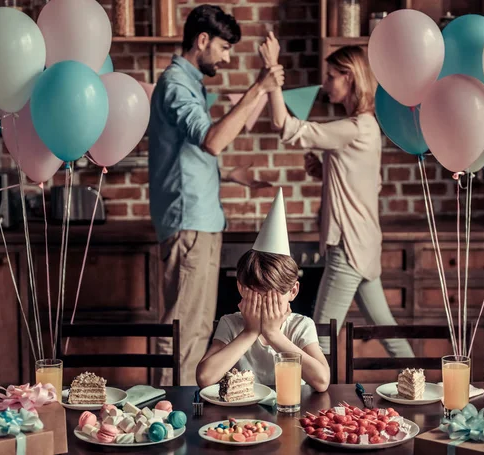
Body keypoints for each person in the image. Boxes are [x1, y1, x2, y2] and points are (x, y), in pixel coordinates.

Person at [148, 5, 285, 385]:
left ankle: (179, 415)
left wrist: (264, 80)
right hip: (190, 224)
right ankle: (174, 418)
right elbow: (212, 141)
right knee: (185, 331)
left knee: (191, 327)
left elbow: (199, 148)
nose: (226, 57)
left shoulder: (190, 84)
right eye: (224, 48)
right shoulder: (176, 84)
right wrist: (260, 86)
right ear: (202, 40)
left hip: (198, 222)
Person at [259, 33, 414, 359]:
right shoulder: (366, 128)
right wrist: (325, 170)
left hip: (349, 246)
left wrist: (272, 69)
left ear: (350, 76)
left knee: (320, 336)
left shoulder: (356, 127)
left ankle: (311, 402)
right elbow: (369, 183)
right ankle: (426, 385)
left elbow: (284, 126)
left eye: (331, 76)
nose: (326, 83)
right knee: (386, 328)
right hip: (362, 243)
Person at [196, 189, 330, 392]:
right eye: (258, 296)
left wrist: (274, 334)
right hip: (242, 417)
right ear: (241, 288)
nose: (266, 305)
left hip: (292, 409)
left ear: (293, 292)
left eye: (274, 298)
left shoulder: (301, 326)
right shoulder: (230, 324)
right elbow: (205, 378)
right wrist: (250, 331)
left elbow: (321, 382)